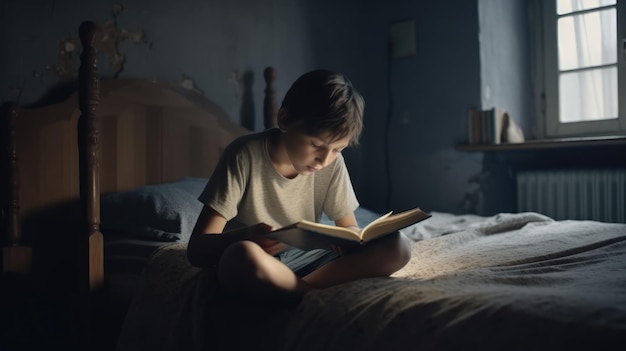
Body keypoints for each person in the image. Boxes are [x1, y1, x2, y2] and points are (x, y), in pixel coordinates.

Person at [187, 69, 412, 304]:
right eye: (316, 145)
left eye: (338, 149)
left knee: (399, 245)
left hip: (309, 262)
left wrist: (350, 241)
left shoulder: (332, 165)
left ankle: (299, 290)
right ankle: (308, 291)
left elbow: (349, 229)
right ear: (284, 120)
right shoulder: (243, 155)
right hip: (261, 260)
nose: (324, 160)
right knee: (239, 257)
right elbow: (197, 250)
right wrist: (248, 236)